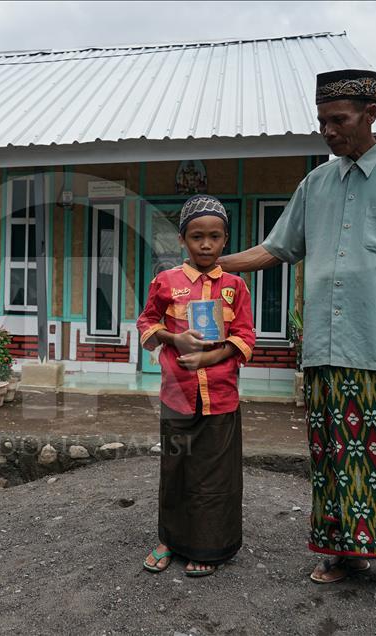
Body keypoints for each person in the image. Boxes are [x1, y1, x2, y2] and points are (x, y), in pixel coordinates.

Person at [217, 69, 376, 616]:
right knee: (334, 460)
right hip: (323, 345)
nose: (328, 131)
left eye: (338, 120)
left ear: (370, 115)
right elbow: (276, 250)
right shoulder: (315, 184)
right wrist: (208, 265)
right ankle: (347, 552)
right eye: (322, 120)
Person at [136, 195, 256, 577]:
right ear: (182, 241)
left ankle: (210, 545)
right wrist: (174, 340)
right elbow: (146, 324)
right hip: (178, 397)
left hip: (221, 397)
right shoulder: (165, 282)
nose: (206, 244)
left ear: (225, 240)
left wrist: (209, 358)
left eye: (215, 237)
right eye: (197, 236)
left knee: (214, 476)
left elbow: (246, 337)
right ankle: (169, 539)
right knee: (176, 470)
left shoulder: (235, 286)